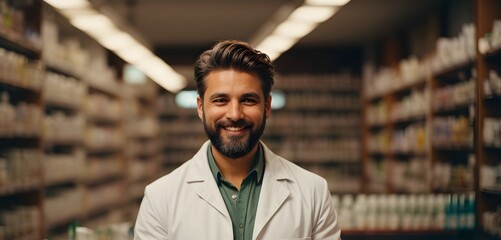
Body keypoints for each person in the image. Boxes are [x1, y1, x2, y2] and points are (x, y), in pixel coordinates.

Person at [134, 40, 341, 240]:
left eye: (248, 100)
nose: (234, 114)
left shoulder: (313, 192)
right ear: (200, 107)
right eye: (221, 100)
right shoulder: (160, 198)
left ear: (267, 107)